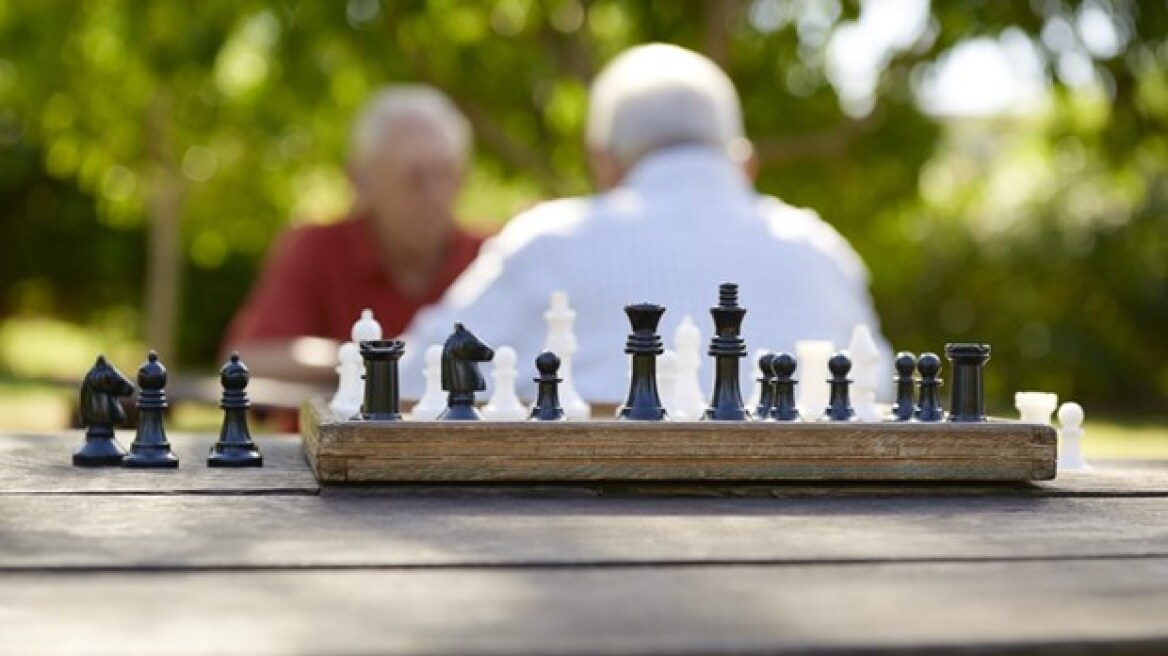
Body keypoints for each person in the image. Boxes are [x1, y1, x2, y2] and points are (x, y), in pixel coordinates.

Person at [399, 44, 889, 402]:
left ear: (603, 161)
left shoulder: (548, 242)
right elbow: (884, 390)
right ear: (747, 162)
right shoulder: (823, 251)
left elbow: (404, 378)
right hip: (815, 534)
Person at [224, 85, 485, 382]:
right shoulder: (316, 247)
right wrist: (374, 362)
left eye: (447, 174)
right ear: (360, 179)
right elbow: (247, 359)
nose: (434, 194)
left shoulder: (490, 256)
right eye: (414, 178)